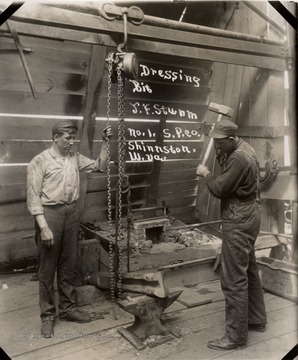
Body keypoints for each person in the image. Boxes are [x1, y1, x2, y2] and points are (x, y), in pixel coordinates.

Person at [27, 120, 112, 338]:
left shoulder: (74, 158)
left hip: (71, 213)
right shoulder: (39, 162)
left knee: (68, 263)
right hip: (49, 214)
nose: (71, 143)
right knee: (47, 267)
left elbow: (99, 166)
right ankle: (47, 316)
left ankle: (67, 309)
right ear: (55, 137)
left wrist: (104, 143)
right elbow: (33, 197)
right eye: (67, 138)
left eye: (73, 138)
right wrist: (43, 227)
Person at [196, 119, 267, 350]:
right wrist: (219, 153)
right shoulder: (244, 147)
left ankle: (235, 337)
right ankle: (256, 319)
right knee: (250, 269)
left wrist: (206, 174)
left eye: (219, 141)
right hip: (250, 215)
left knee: (233, 279)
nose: (216, 144)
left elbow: (219, 188)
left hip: (238, 219)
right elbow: (229, 173)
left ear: (230, 139)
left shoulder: (238, 158)